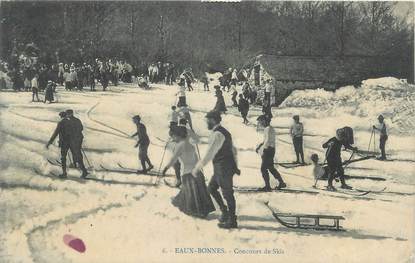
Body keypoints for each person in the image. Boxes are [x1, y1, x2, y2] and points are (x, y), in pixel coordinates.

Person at [192, 111, 240, 229]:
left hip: (223, 167)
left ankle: (232, 220)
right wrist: (235, 165)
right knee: (211, 188)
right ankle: (225, 212)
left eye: (207, 120)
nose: (206, 123)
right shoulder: (224, 132)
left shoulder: (217, 134)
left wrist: (197, 168)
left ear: (213, 120)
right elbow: (233, 150)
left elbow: (210, 153)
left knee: (227, 194)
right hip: (224, 167)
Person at [162, 126, 215, 218]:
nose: (173, 138)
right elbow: (196, 158)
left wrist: (166, 168)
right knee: (199, 191)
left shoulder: (179, 145)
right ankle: (203, 210)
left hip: (187, 172)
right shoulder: (190, 144)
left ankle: (196, 211)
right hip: (196, 171)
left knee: (191, 193)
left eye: (173, 136)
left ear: (178, 136)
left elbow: (173, 159)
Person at [256, 115, 286, 191]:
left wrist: (263, 150)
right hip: (271, 150)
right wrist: (260, 146)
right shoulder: (269, 129)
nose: (260, 123)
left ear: (264, 121)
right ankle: (281, 182)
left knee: (263, 169)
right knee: (271, 168)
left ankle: (267, 186)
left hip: (268, 150)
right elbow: (266, 140)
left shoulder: (268, 129)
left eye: (260, 121)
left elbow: (268, 141)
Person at [65, 109, 89, 178]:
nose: (67, 115)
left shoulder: (71, 121)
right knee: (74, 151)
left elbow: (80, 128)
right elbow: (81, 128)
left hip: (76, 139)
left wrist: (73, 133)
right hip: (77, 138)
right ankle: (75, 164)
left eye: (67, 114)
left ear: (70, 114)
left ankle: (84, 171)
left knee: (77, 152)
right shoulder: (76, 120)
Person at [46, 111, 70, 178]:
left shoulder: (60, 123)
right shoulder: (70, 122)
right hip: (71, 142)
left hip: (64, 142)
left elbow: (55, 133)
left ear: (61, 116)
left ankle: (64, 173)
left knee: (63, 157)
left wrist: (49, 142)